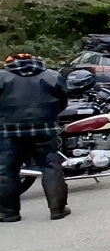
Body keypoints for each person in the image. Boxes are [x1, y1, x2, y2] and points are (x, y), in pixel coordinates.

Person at [0, 53, 70, 222]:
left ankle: (8, 212)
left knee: (6, 170)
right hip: (46, 129)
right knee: (51, 167)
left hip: (8, 131)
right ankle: (57, 209)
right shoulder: (53, 75)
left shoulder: (2, 77)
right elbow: (63, 101)